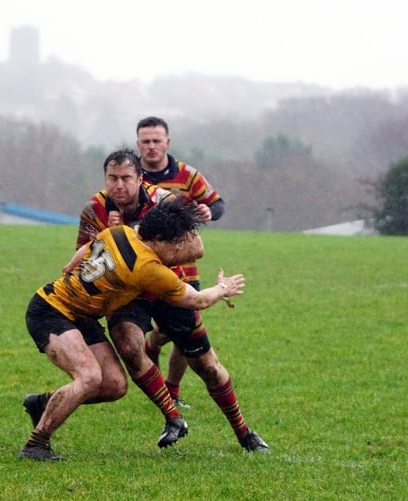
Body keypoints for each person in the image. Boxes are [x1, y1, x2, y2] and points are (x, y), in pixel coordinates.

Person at [18, 161, 245, 462]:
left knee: (114, 385)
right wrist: (223, 289)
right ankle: (36, 444)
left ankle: (42, 405)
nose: (178, 254)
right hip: (50, 311)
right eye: (175, 247)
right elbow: (198, 300)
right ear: (162, 241)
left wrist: (71, 270)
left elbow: (86, 249)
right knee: (88, 377)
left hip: (78, 314)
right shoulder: (148, 269)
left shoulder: (120, 232)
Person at [136, 116, 227, 409]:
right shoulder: (131, 177)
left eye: (156, 141)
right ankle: (152, 347)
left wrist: (208, 211)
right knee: (161, 331)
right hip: (142, 271)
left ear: (167, 142)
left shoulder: (187, 175)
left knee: (181, 336)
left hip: (184, 270)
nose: (151, 147)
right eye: (145, 141)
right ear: (138, 144)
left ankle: (172, 390)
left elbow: (217, 203)